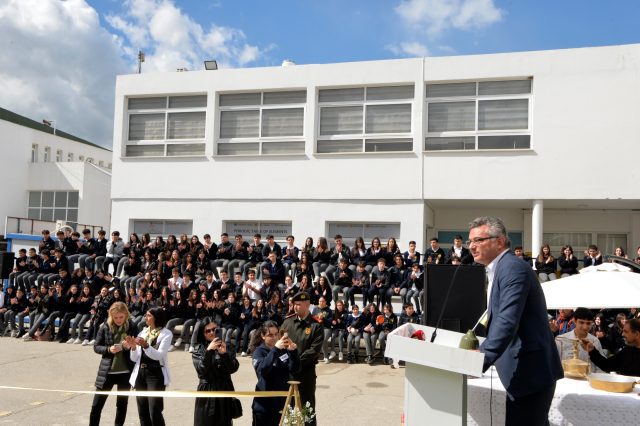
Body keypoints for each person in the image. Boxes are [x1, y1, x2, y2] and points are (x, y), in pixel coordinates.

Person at [468, 216, 562, 425]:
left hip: (530, 373)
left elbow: (507, 320)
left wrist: (481, 357)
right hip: (523, 372)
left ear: (500, 241)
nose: (472, 247)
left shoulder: (512, 268)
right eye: (470, 241)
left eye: (478, 240)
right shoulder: (500, 268)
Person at [89, 302, 139, 426]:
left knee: (122, 404)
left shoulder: (132, 326)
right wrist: (108, 349)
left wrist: (130, 346)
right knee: (96, 405)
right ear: (111, 316)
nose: (118, 320)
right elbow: (96, 347)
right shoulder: (105, 326)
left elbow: (138, 347)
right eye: (115, 317)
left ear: (126, 315)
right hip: (107, 371)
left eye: (121, 317)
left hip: (125, 372)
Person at [280, 291, 323, 425]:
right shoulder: (287, 323)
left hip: (306, 375)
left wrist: (296, 361)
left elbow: (313, 351)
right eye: (294, 304)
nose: (295, 307)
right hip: (288, 374)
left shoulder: (316, 326)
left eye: (298, 304)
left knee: (306, 410)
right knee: (288, 409)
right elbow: (280, 344)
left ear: (307, 305)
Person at [126, 307, 172, 426]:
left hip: (155, 374)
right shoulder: (143, 332)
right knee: (143, 412)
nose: (145, 318)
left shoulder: (166, 333)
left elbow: (159, 355)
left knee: (154, 411)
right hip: (140, 373)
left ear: (156, 317)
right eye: (145, 315)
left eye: (148, 315)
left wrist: (146, 346)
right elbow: (134, 358)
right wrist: (133, 347)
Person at [192, 317, 240, 426]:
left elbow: (233, 368)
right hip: (207, 392)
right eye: (207, 331)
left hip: (224, 390)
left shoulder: (227, 346)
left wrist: (224, 354)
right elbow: (201, 370)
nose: (212, 333)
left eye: (214, 329)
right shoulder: (199, 350)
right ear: (203, 334)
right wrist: (209, 352)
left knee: (224, 422)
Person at [251, 320, 300, 426]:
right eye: (270, 335)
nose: (274, 337)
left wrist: (293, 352)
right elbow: (262, 370)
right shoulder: (259, 352)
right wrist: (275, 349)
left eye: (276, 334)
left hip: (282, 402)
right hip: (264, 405)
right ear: (263, 336)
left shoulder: (283, 350)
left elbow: (294, 369)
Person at [555, 307, 604, 373]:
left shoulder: (595, 341)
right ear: (574, 320)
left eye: (588, 323)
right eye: (581, 322)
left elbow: (600, 368)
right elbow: (554, 363)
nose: (585, 327)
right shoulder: (561, 340)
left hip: (588, 378)